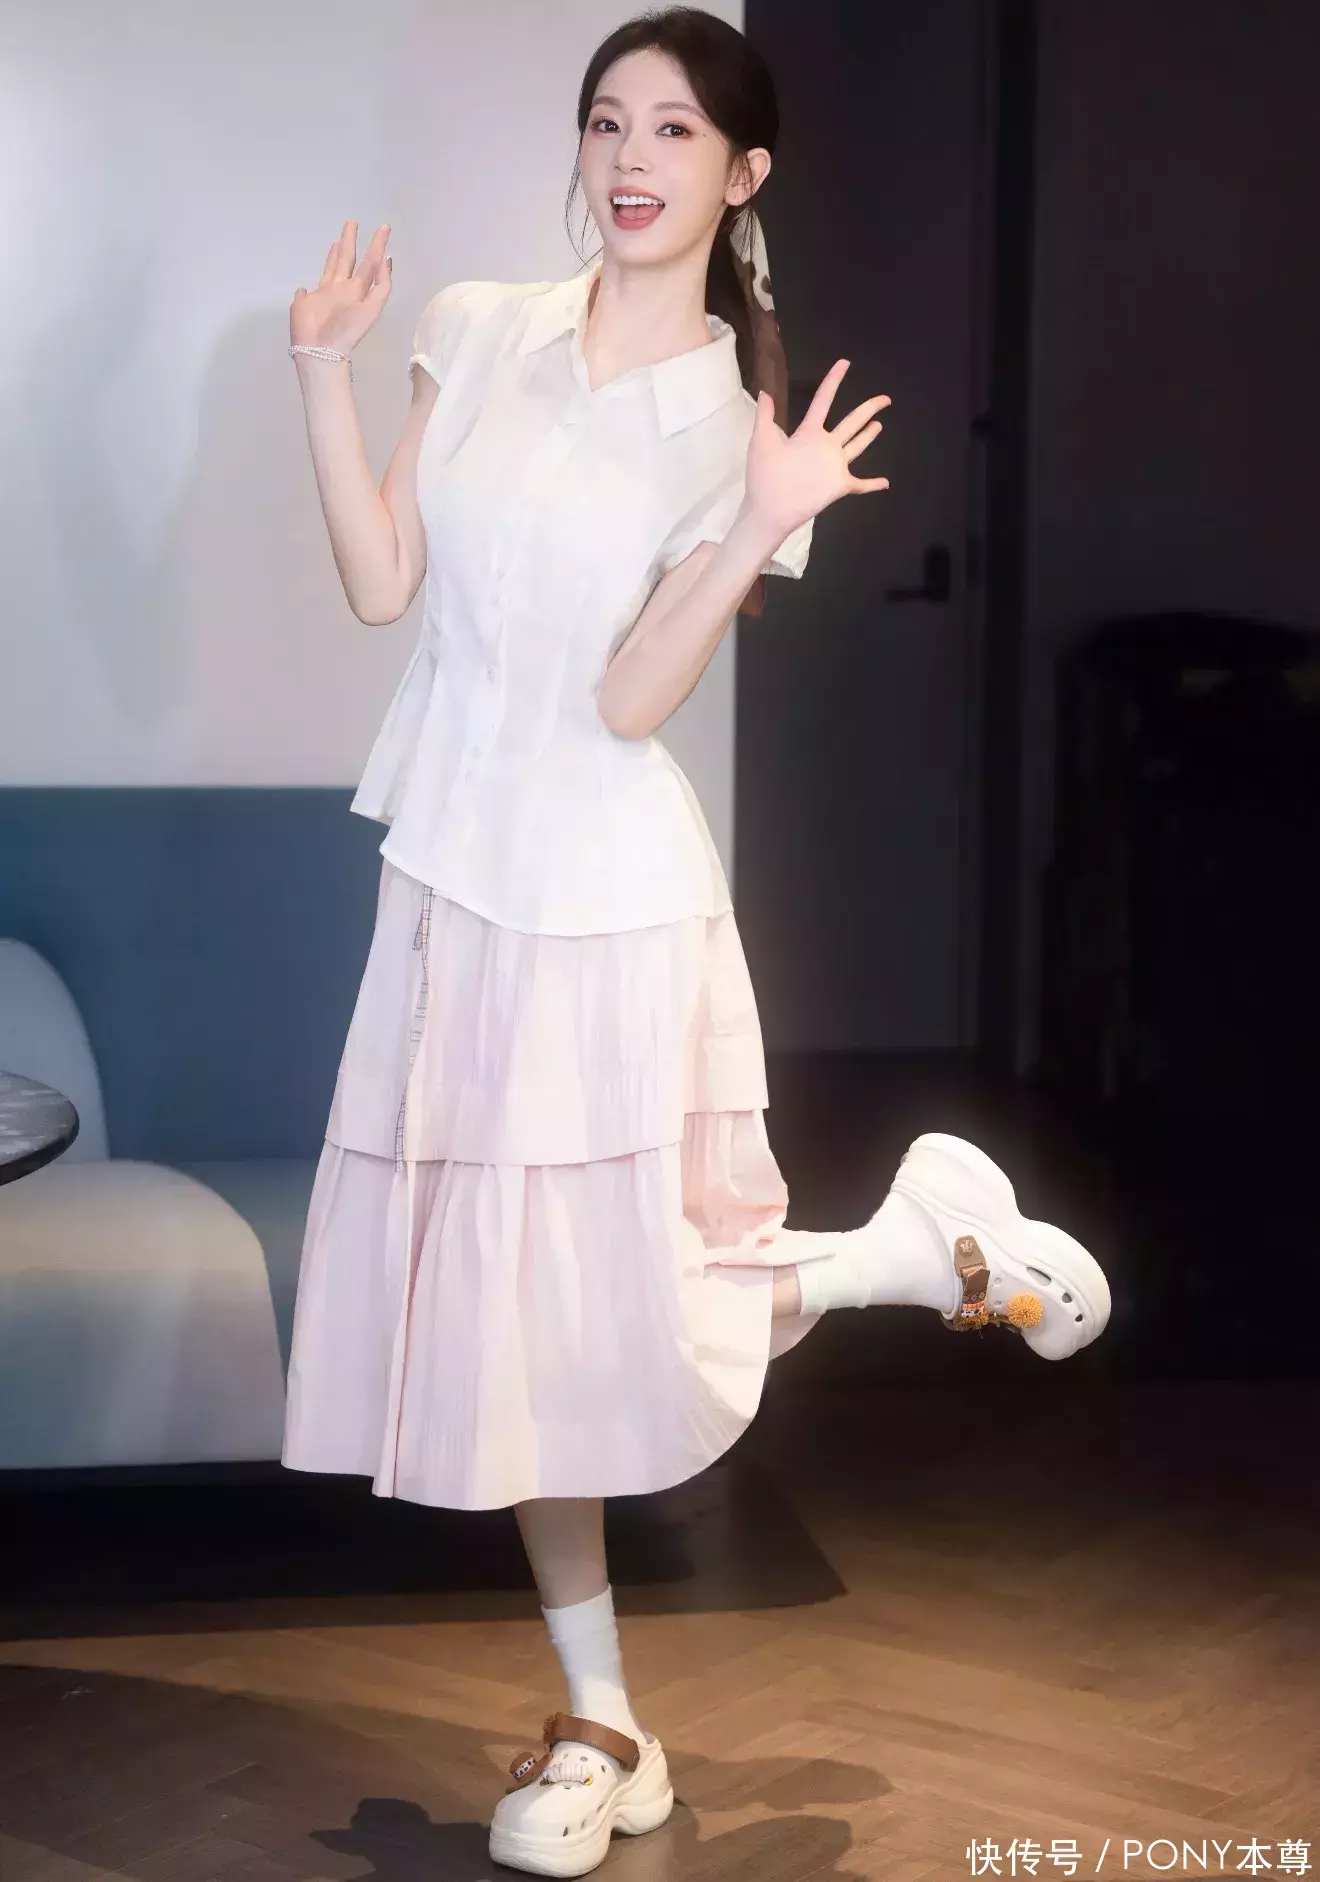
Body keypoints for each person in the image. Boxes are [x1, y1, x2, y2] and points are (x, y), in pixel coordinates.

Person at [279, 8, 1111, 1875]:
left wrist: (754, 523)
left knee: (605, 1298)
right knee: (512, 1320)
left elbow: (630, 697)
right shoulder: (480, 325)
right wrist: (322, 368)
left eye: (673, 128)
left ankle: (908, 1259)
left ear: (745, 176)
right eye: (607, 121)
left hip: (607, 897)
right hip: (451, 874)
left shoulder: (739, 426)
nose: (631, 157)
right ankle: (604, 1722)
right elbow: (380, 582)